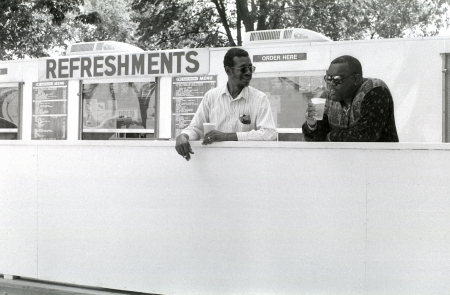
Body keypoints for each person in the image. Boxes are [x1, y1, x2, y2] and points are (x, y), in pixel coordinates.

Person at [175, 48, 277, 161]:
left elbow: (270, 134)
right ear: (228, 71)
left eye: (250, 68)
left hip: (248, 165)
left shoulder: (259, 99)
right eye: (243, 69)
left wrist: (227, 136)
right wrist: (183, 136)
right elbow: (196, 129)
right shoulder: (211, 96)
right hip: (217, 164)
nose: (248, 72)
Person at [302, 55, 399, 142]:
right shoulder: (328, 97)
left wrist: (331, 136)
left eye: (337, 79)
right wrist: (312, 125)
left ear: (356, 79)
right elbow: (316, 138)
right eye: (328, 78)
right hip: (342, 161)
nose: (331, 84)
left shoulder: (375, 90)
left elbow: (366, 136)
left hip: (381, 159)